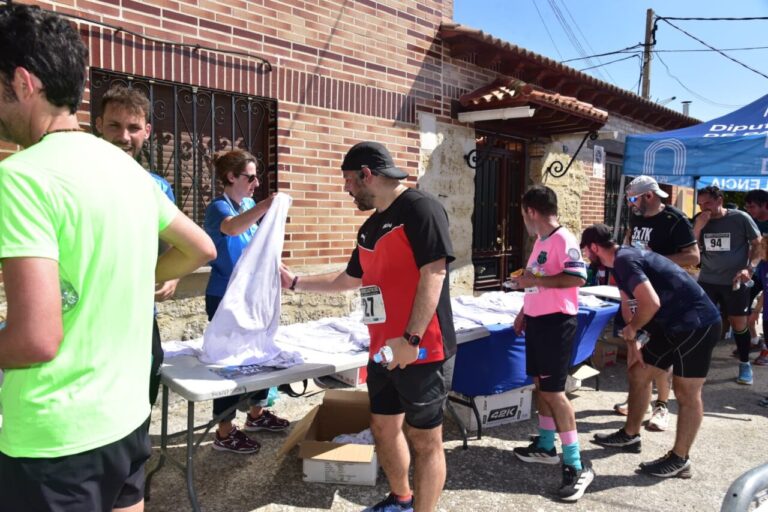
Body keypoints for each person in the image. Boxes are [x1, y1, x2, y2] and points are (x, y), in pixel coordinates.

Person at [0, 5, 216, 511]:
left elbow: (35, 339)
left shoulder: (22, 176)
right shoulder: (129, 173)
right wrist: (140, 277)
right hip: (125, 421)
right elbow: (199, 247)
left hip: (55, 440)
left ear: (23, 82)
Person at [280, 141, 456, 512]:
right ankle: (401, 499)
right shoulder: (370, 227)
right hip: (382, 349)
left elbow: (434, 271)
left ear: (367, 174)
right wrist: (295, 282)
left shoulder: (421, 209)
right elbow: (348, 279)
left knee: (425, 440)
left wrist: (411, 338)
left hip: (421, 349)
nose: (346, 189)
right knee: (383, 428)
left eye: (348, 180)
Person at [583, 224, 721, 478]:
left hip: (697, 324)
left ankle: (680, 459)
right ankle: (630, 436)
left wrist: (634, 329)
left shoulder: (625, 259)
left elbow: (650, 303)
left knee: (686, 392)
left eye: (586, 251)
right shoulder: (620, 262)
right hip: (669, 325)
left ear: (593, 247)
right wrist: (632, 342)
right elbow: (629, 304)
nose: (586, 258)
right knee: (638, 373)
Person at [508, 185, 593, 502]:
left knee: (555, 393)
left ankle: (576, 464)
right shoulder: (540, 241)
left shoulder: (563, 239)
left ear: (531, 211)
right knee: (540, 386)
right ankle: (546, 445)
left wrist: (533, 282)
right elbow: (535, 278)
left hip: (558, 323)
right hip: (539, 321)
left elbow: (578, 278)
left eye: (523, 214)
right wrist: (524, 311)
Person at [96, 84, 178, 406]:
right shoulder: (83, 176)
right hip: (92, 315)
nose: (124, 136)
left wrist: (174, 275)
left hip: (142, 315)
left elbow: (177, 244)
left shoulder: (157, 187)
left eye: (133, 128)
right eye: (115, 125)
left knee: (144, 391)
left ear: (147, 131)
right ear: (99, 125)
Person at [204, 148, 287, 454]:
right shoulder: (218, 208)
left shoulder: (250, 204)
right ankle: (224, 432)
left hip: (252, 298)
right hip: (224, 296)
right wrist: (267, 206)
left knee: (257, 354)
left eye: (257, 178)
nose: (256, 184)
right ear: (231, 177)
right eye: (250, 177)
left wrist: (281, 272)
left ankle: (257, 413)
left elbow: (258, 247)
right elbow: (232, 228)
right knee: (230, 361)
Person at [615, 176, 700, 431]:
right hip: (640, 289)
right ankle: (640, 399)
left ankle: (662, 406)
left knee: (661, 351)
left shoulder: (674, 220)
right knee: (638, 345)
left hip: (667, 295)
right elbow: (631, 242)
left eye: (633, 199)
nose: (630, 204)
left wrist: (655, 259)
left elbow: (693, 256)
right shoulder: (637, 215)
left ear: (648, 196)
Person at [693, 186, 761, 385]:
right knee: (703, 323)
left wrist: (750, 268)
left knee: (739, 324)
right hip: (707, 280)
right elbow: (691, 248)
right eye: (700, 204)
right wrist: (698, 227)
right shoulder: (700, 219)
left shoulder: (740, 218)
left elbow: (757, 243)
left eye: (708, 203)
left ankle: (744, 363)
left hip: (735, 281)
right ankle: (698, 365)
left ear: (720, 200)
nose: (704, 208)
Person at [744, 189, 768, 360]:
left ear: (765, 205)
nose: (749, 210)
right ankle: (754, 339)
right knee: (742, 303)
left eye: (752, 206)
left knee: (763, 312)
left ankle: (765, 349)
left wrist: (757, 309)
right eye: (748, 207)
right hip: (758, 270)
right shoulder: (751, 222)